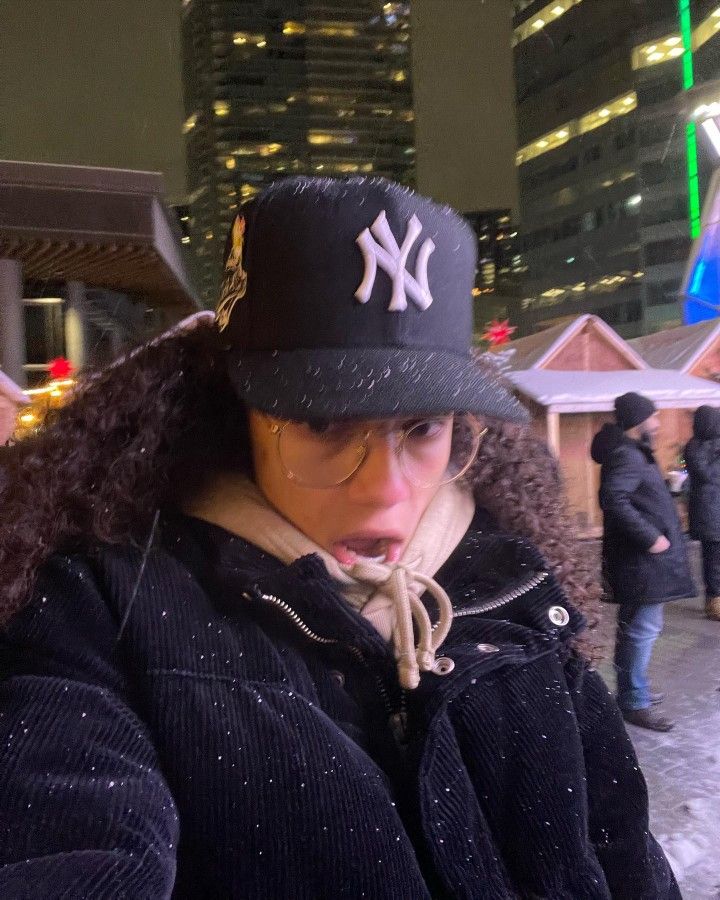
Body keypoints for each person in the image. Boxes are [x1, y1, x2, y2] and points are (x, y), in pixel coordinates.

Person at [0, 177, 679, 898]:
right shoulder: (103, 613)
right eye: (322, 425)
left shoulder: (519, 592)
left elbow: (623, 853)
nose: (386, 492)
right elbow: (73, 839)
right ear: (239, 412)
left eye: (421, 428)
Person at [594, 393, 694, 733]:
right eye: (653, 416)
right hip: (641, 561)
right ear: (639, 421)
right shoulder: (628, 455)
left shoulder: (633, 454)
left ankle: (635, 690)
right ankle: (634, 699)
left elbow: (630, 497)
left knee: (636, 628)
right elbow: (613, 499)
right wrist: (650, 537)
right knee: (642, 630)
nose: (657, 422)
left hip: (641, 562)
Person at [685, 404, 720, 621]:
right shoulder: (695, 447)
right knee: (713, 559)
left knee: (712, 559)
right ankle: (714, 601)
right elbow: (708, 475)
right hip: (710, 514)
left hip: (709, 511)